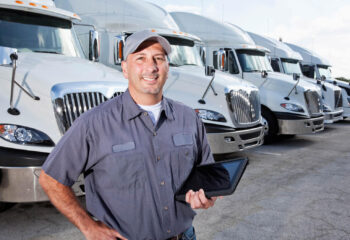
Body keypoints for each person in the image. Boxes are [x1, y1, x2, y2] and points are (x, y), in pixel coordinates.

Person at [39, 30, 217, 240]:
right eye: (140, 58)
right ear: (125, 69)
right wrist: (88, 226)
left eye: (158, 59)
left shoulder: (189, 119)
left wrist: (207, 196)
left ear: (168, 68)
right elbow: (50, 179)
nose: (151, 67)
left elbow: (207, 176)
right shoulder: (94, 123)